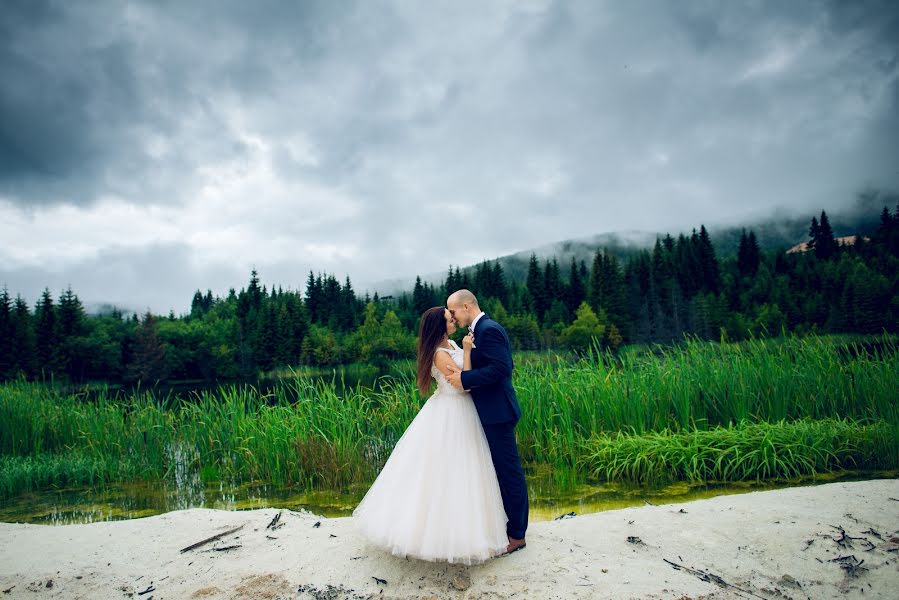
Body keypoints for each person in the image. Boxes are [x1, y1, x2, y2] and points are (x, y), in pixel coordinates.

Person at [351, 306, 509, 564]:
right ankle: (440, 536)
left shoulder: (453, 345)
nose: (454, 321)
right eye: (449, 320)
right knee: (446, 474)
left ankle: (471, 530)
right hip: (452, 411)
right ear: (440, 326)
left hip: (463, 413)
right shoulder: (439, 355)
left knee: (468, 471)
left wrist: (467, 350)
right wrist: (468, 351)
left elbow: (467, 375)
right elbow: (462, 386)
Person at [444, 289, 528, 555]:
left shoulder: (489, 329)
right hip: (491, 411)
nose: (454, 319)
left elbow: (502, 368)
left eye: (454, 312)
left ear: (467, 306)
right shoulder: (477, 331)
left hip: (498, 412)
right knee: (500, 471)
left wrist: (465, 380)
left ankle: (517, 535)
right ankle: (509, 526)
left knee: (509, 472)